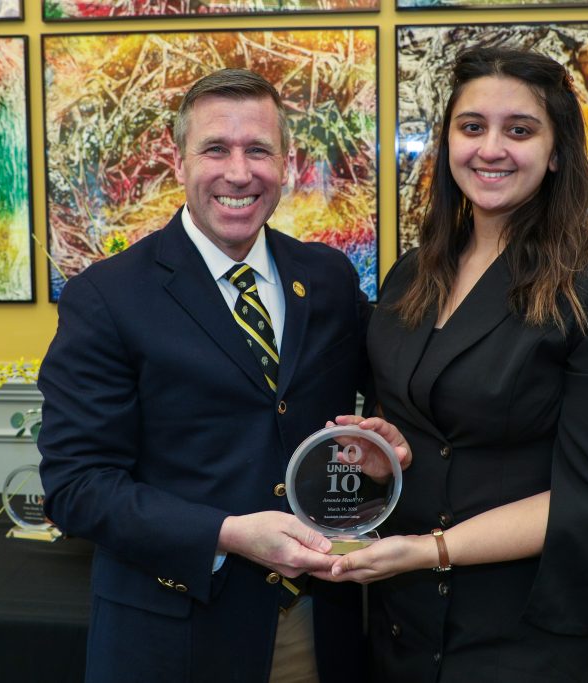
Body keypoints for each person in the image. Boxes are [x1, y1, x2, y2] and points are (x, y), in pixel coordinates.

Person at [314, 48, 588, 682]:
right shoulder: (412, 273)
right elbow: (426, 432)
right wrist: (387, 455)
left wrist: (429, 552)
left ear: (556, 151)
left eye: (520, 130)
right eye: (472, 126)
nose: (491, 148)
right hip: (404, 614)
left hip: (520, 627)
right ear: (447, 142)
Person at [37, 68, 402, 683]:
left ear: (285, 164)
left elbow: (357, 421)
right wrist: (228, 534)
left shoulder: (331, 279)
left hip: (320, 627)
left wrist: (383, 447)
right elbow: (76, 487)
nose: (239, 172)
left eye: (258, 149)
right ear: (178, 163)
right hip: (173, 636)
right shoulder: (106, 297)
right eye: (215, 149)